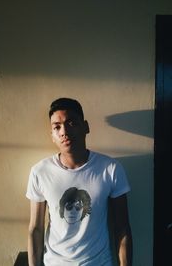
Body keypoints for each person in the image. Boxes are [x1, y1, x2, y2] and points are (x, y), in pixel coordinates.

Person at [26, 97, 133, 266]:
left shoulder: (110, 169)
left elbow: (122, 228)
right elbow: (36, 229)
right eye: (57, 127)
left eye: (71, 123)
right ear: (52, 135)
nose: (64, 132)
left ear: (86, 127)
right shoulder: (40, 172)